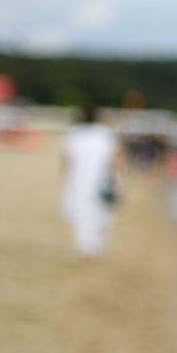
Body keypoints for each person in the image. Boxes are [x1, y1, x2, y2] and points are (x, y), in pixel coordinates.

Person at [58, 104, 118, 258]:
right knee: (99, 215)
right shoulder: (105, 134)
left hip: (78, 179)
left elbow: (66, 159)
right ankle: (94, 248)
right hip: (102, 180)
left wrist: (66, 177)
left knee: (82, 215)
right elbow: (116, 159)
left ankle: (86, 248)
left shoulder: (74, 133)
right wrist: (118, 179)